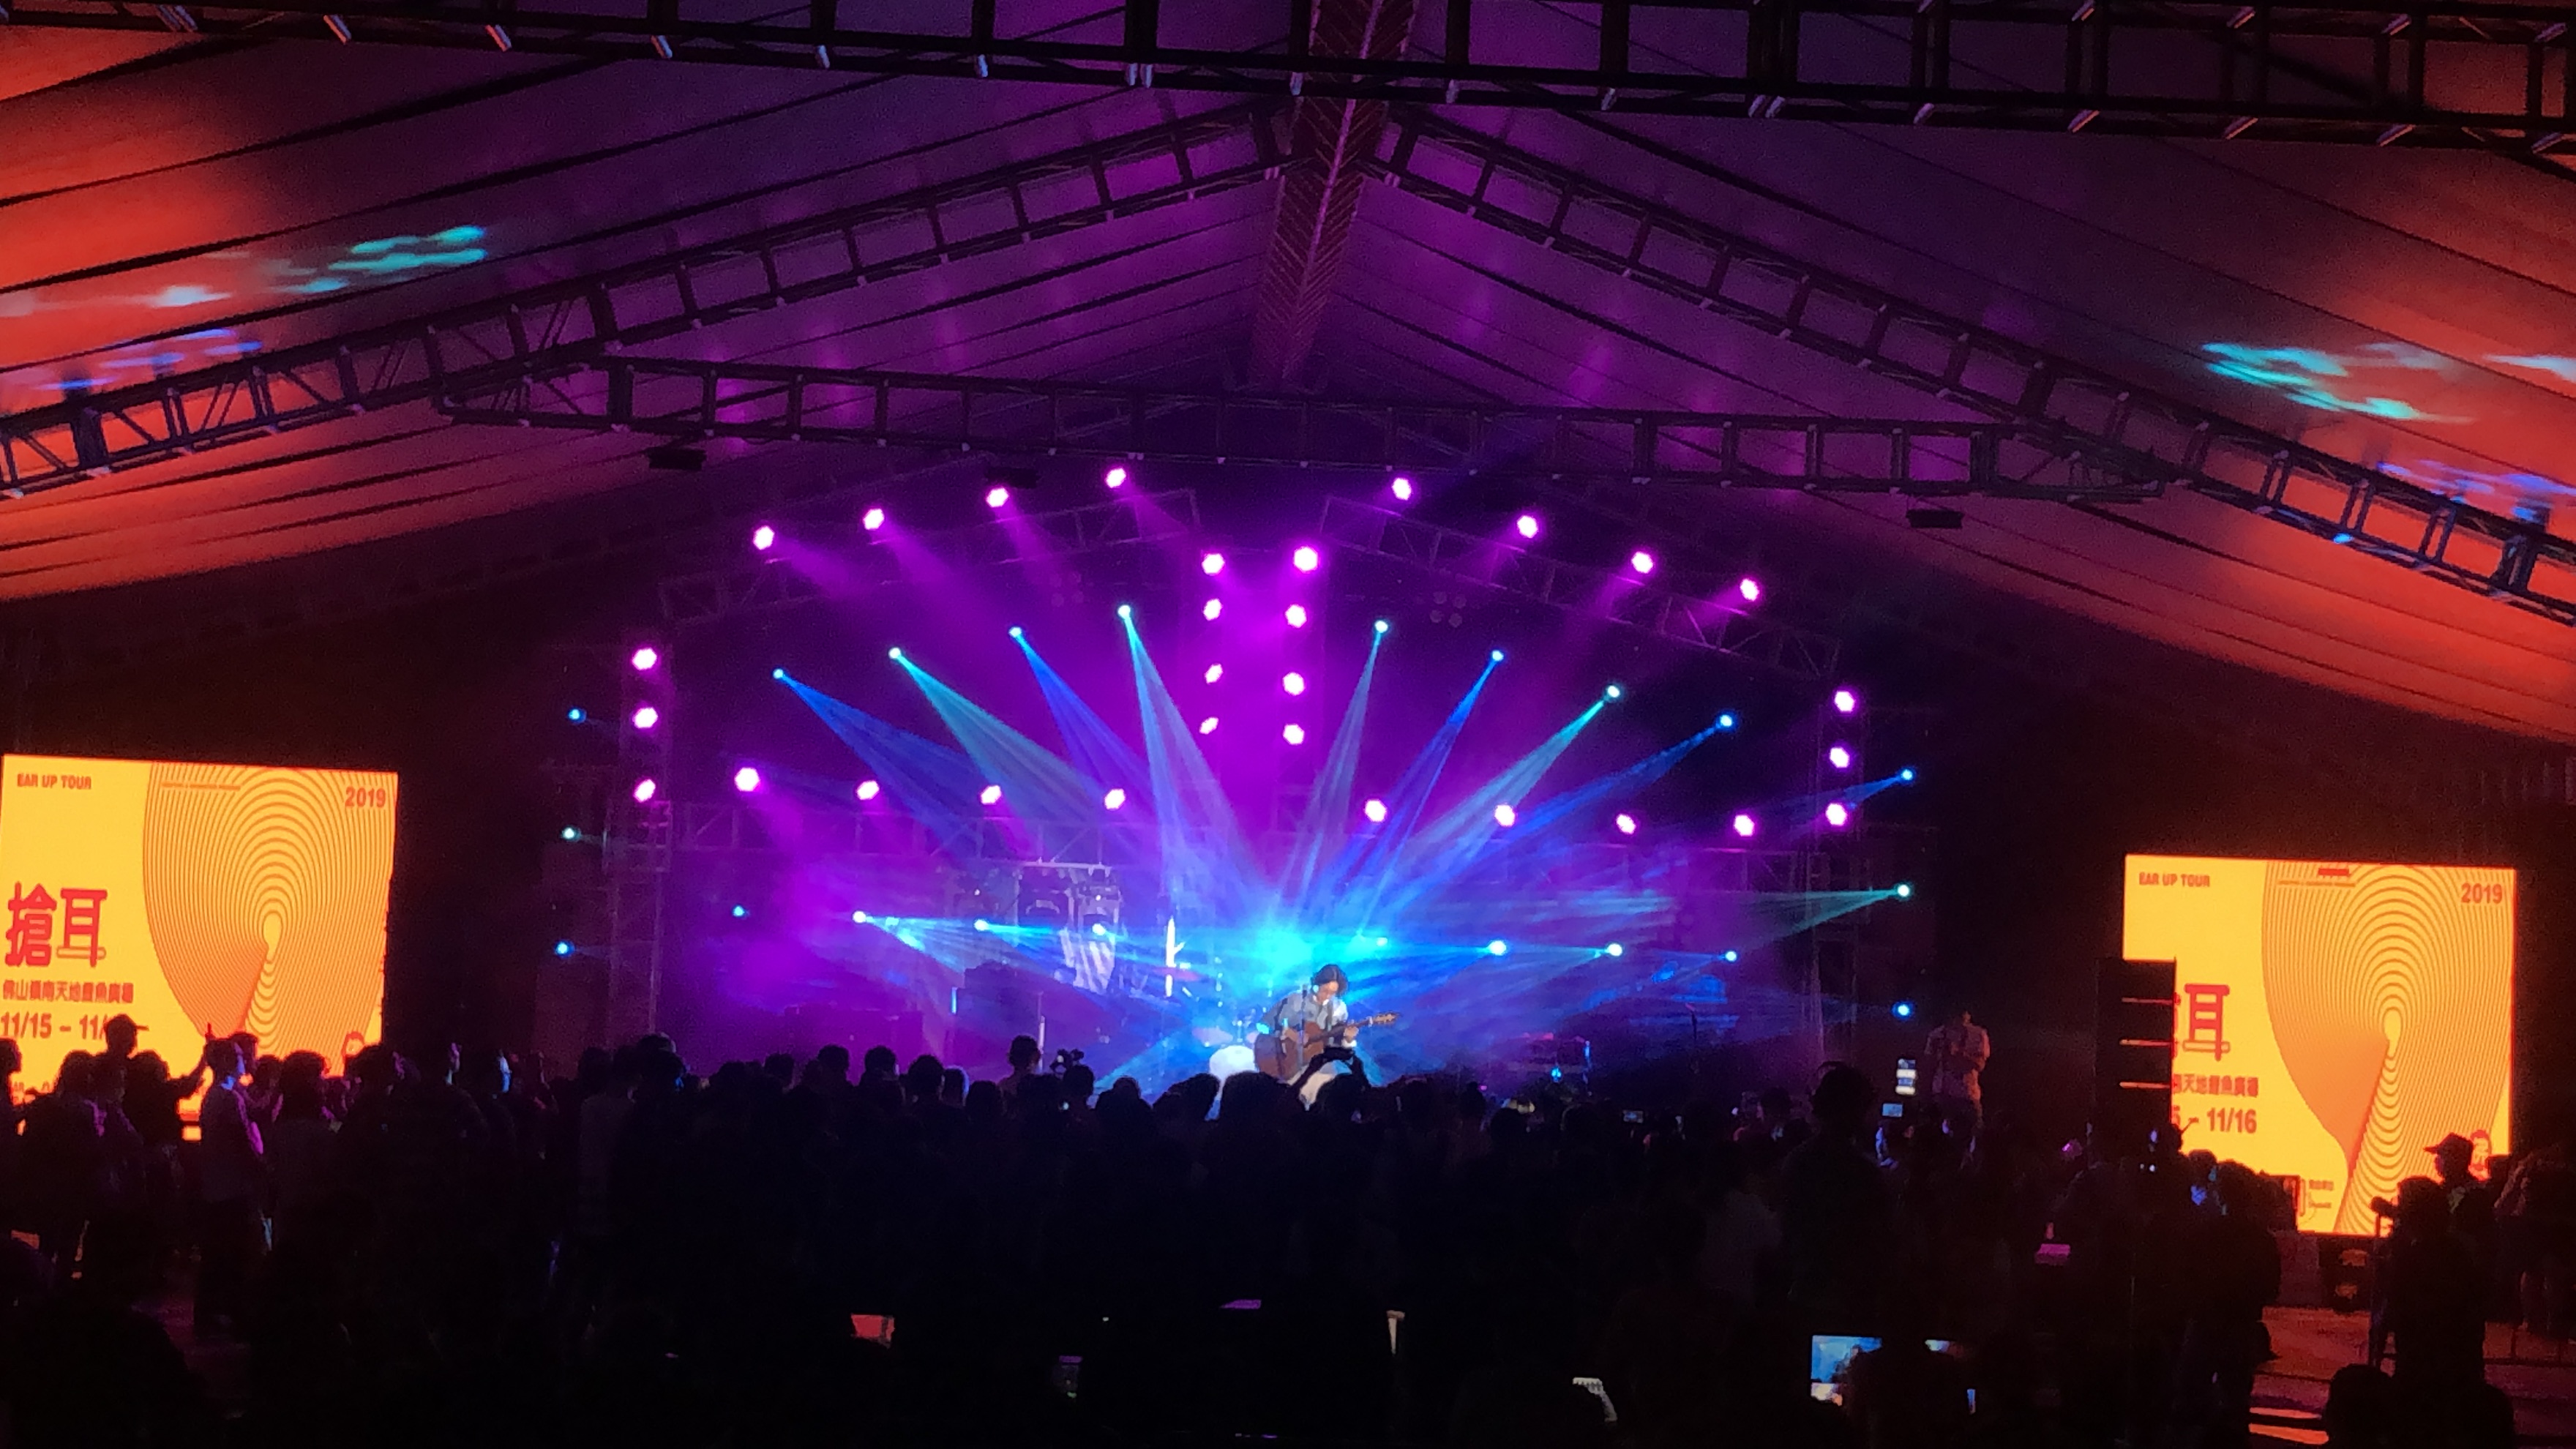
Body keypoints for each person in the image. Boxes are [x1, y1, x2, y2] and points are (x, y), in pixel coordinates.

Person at [192, 1036, 264, 1336]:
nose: (243, 1059)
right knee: (232, 1254)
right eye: (237, 1055)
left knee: (219, 1254)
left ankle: (211, 1314)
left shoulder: (219, 1095)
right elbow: (242, 1140)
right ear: (224, 1061)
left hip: (218, 1184)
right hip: (231, 1186)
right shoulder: (227, 1098)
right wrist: (259, 1168)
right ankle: (229, 1314)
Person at [1923, 1008, 1991, 1128]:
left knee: (1972, 1131)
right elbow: (1927, 1066)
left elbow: (1980, 1065)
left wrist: (1958, 1053)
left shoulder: (1978, 1034)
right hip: (1940, 1095)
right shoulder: (1937, 1034)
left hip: (1967, 1095)